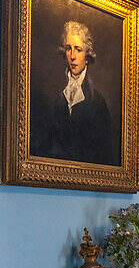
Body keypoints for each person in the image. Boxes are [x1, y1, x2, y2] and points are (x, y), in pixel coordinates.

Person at [32, 21, 118, 166]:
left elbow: (105, 155)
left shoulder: (97, 102)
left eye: (78, 49)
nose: (72, 56)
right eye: (68, 48)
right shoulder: (57, 96)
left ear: (87, 55)